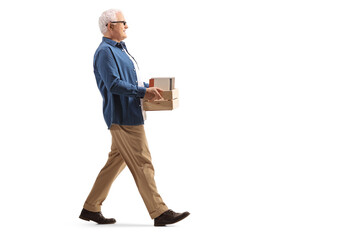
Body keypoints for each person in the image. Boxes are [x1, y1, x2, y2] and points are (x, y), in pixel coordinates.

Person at [79, 9, 189, 227]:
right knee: (142, 162)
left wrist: (148, 88)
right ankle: (159, 211)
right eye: (123, 22)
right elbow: (113, 84)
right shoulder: (104, 52)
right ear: (110, 26)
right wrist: (142, 92)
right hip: (123, 118)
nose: (126, 26)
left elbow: (128, 81)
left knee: (115, 163)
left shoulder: (119, 50)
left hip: (130, 113)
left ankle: (91, 207)